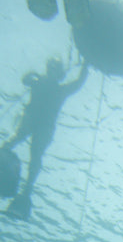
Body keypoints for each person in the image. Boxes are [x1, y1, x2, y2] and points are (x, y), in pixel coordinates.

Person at [1, 55, 88, 219]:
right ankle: (24, 189)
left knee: (34, 153)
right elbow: (26, 80)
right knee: (17, 142)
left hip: (42, 125)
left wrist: (86, 66)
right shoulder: (45, 84)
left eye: (54, 70)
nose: (51, 72)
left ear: (59, 74)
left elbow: (77, 84)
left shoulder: (52, 87)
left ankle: (26, 190)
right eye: (51, 68)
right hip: (37, 122)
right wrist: (86, 65)